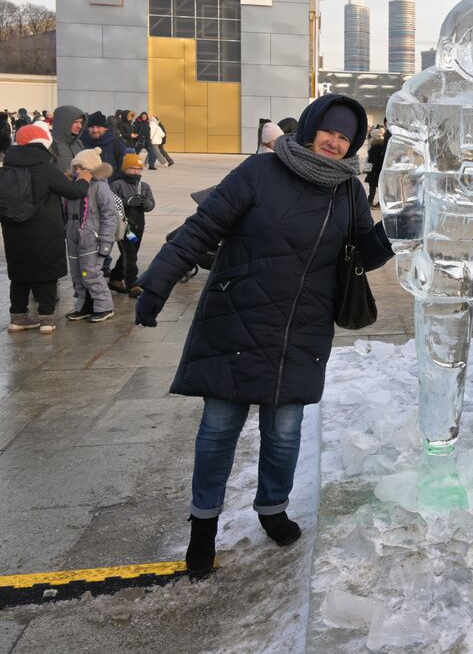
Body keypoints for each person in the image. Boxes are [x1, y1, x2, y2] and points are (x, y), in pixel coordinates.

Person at [134, 94, 394, 577]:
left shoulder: (349, 193)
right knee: (218, 431)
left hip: (302, 327)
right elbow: (201, 228)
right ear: (312, 126)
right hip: (237, 317)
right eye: (329, 131)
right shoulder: (259, 173)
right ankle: (203, 527)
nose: (335, 142)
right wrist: (157, 281)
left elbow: (362, 254)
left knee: (284, 433)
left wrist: (397, 229)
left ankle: (272, 509)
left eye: (345, 137)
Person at [3, 125, 91, 334]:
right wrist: (84, 179)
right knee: (46, 273)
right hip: (44, 231)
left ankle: (17, 317)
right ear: (44, 142)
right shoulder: (46, 167)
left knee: (20, 275)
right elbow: (73, 191)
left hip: (14, 231)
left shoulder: (8, 166)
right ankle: (46, 319)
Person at [64, 149, 119, 322]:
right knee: (77, 274)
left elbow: (109, 216)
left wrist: (105, 242)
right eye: (76, 167)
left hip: (92, 238)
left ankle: (104, 305)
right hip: (73, 236)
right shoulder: (73, 186)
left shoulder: (99, 186)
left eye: (82, 167)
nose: (78, 171)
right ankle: (83, 305)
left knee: (91, 273)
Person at [108, 153, 155, 297]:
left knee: (129, 254)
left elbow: (151, 204)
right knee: (130, 255)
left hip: (138, 224)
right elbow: (110, 203)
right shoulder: (116, 184)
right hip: (123, 224)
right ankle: (132, 284)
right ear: (125, 168)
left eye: (139, 168)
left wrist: (145, 203)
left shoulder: (144, 186)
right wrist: (126, 202)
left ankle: (115, 278)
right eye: (133, 168)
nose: (136, 171)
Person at [51, 106, 86, 170]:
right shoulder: (50, 143)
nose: (79, 126)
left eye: (81, 122)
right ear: (63, 122)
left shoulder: (78, 143)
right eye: (75, 122)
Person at [365, 125, 386, 207]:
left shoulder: (375, 146)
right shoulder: (382, 145)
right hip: (378, 169)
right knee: (378, 186)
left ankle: (370, 201)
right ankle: (378, 202)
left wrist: (367, 169)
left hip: (374, 169)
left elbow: (370, 159)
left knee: (373, 186)